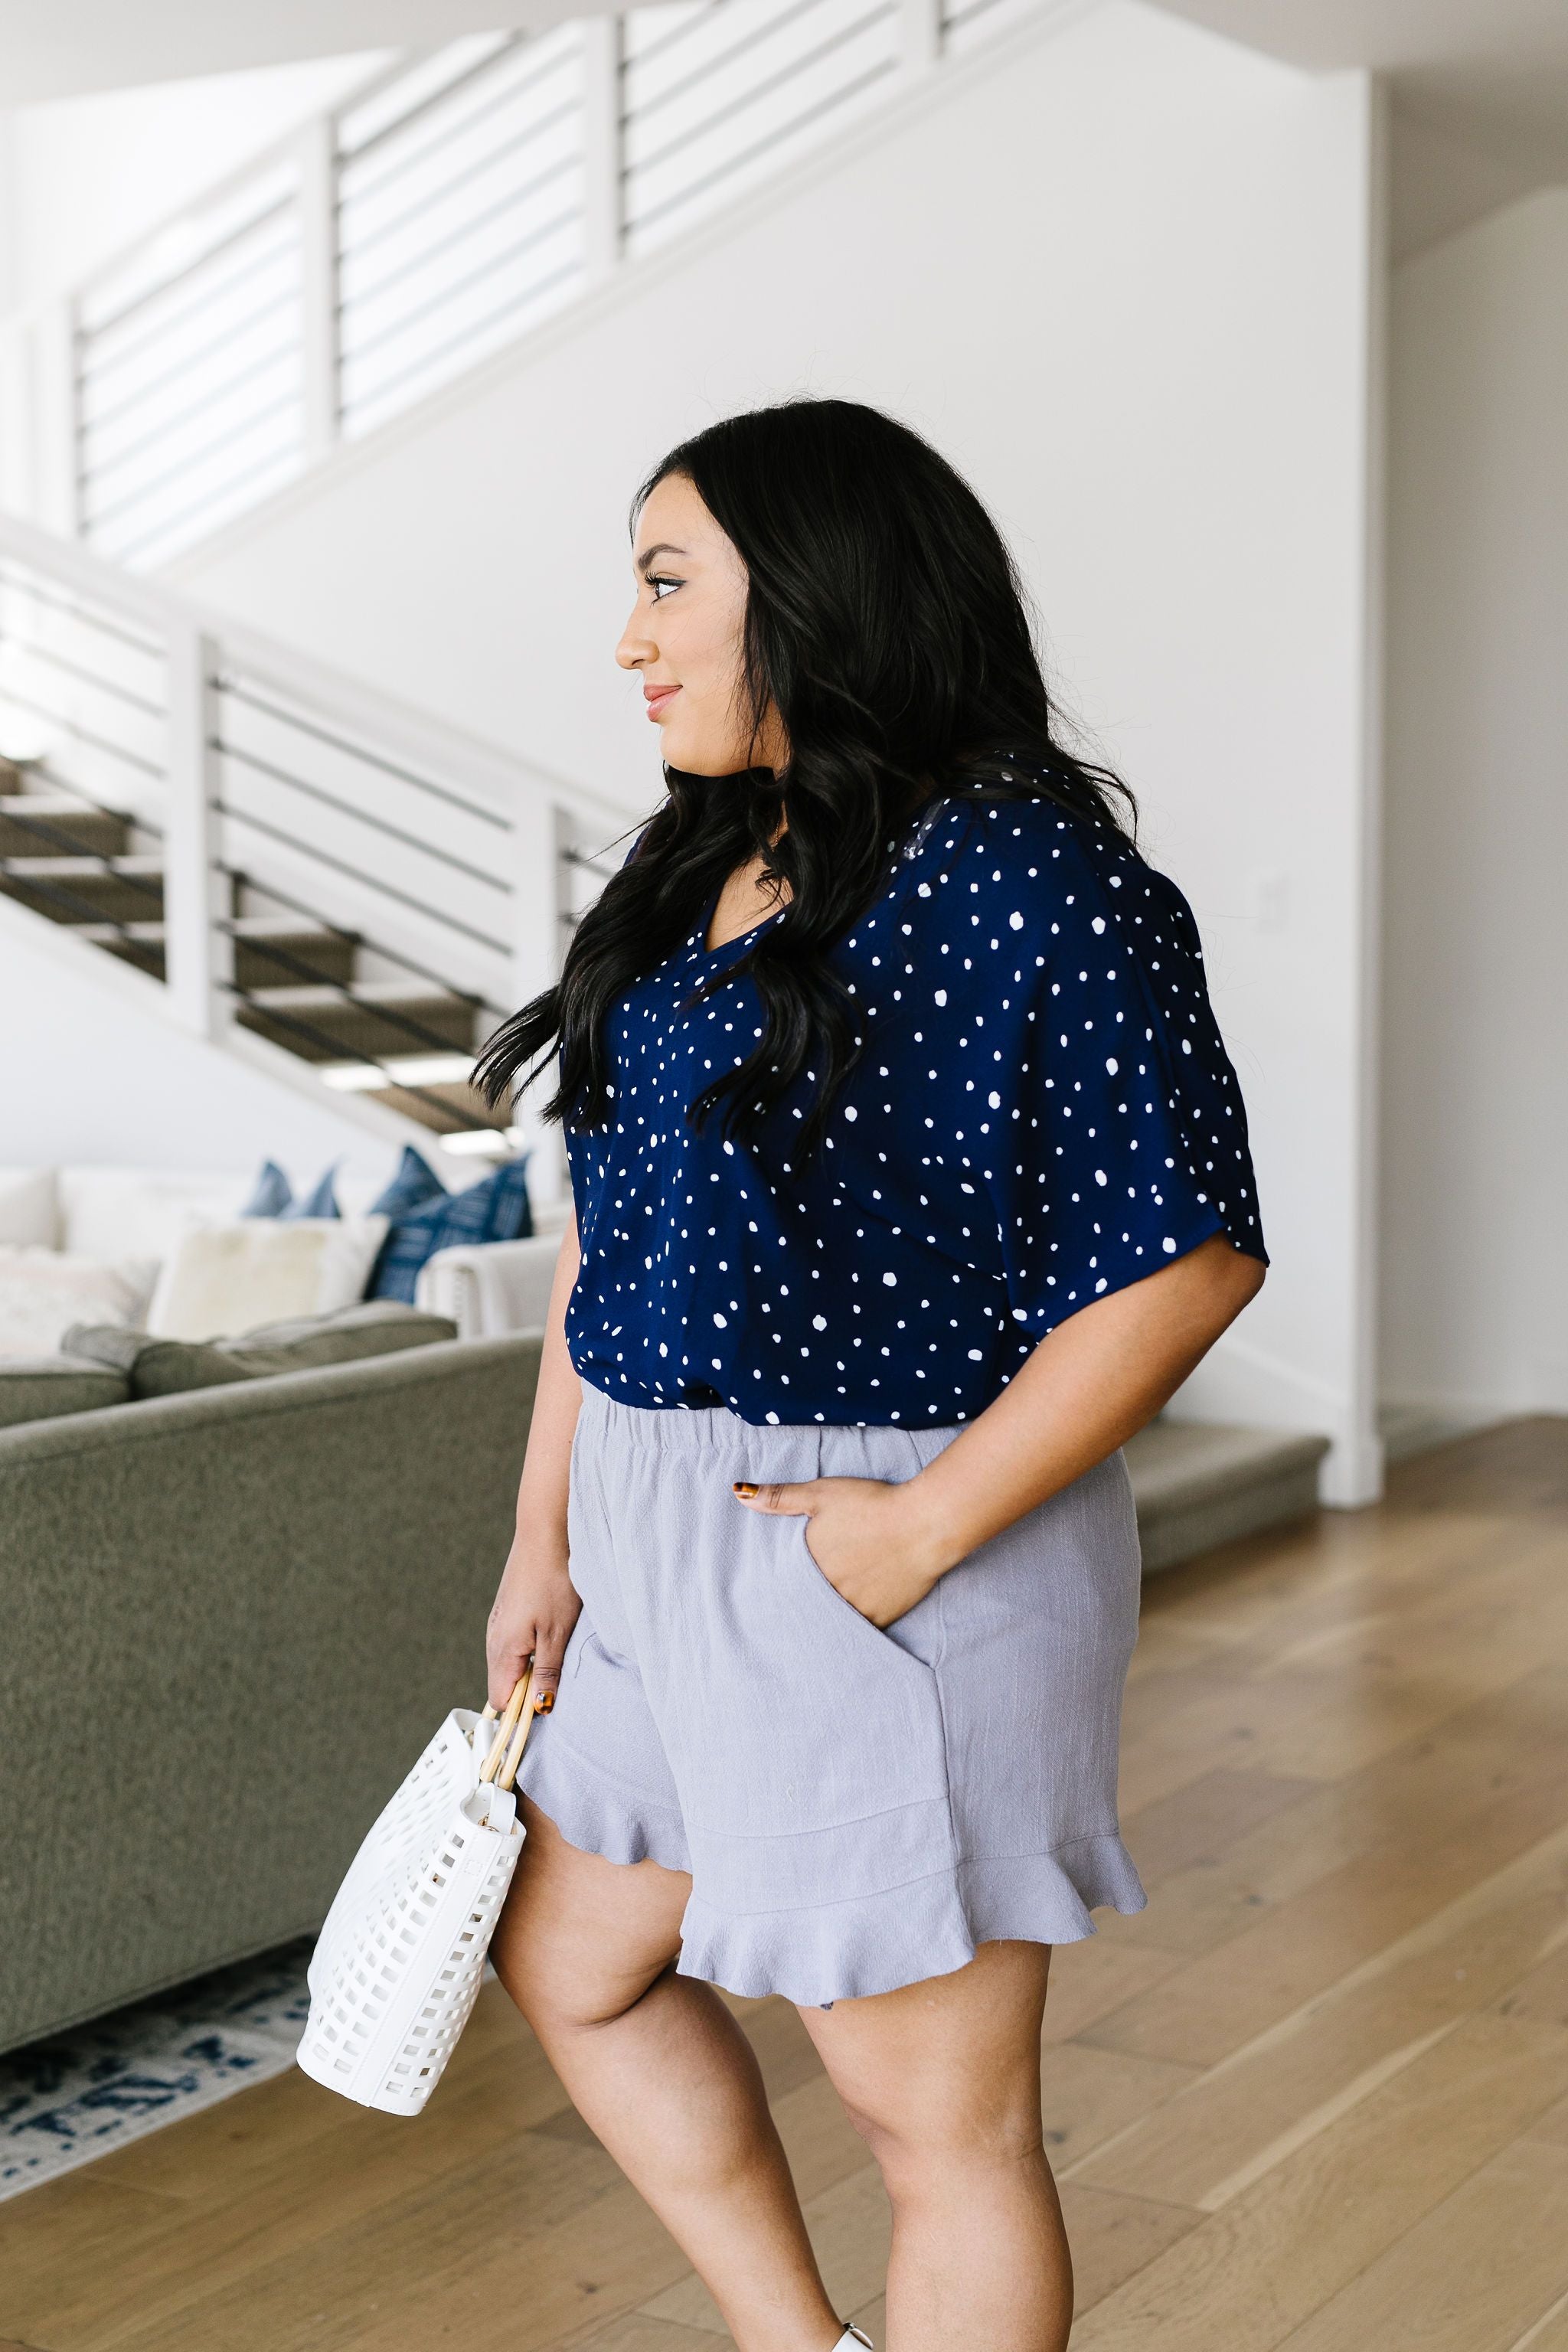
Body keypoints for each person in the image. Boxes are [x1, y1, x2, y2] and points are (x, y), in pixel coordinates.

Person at [474, 397, 1266, 2352]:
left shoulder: (1032, 880)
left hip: (882, 1537)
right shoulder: (698, 869)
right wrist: (543, 1534)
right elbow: (611, 1239)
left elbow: (1186, 1262)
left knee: (939, 2126)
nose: (632, 639)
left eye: (669, 585)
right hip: (651, 1523)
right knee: (568, 1961)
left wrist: (917, 1535)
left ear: (816, 595)